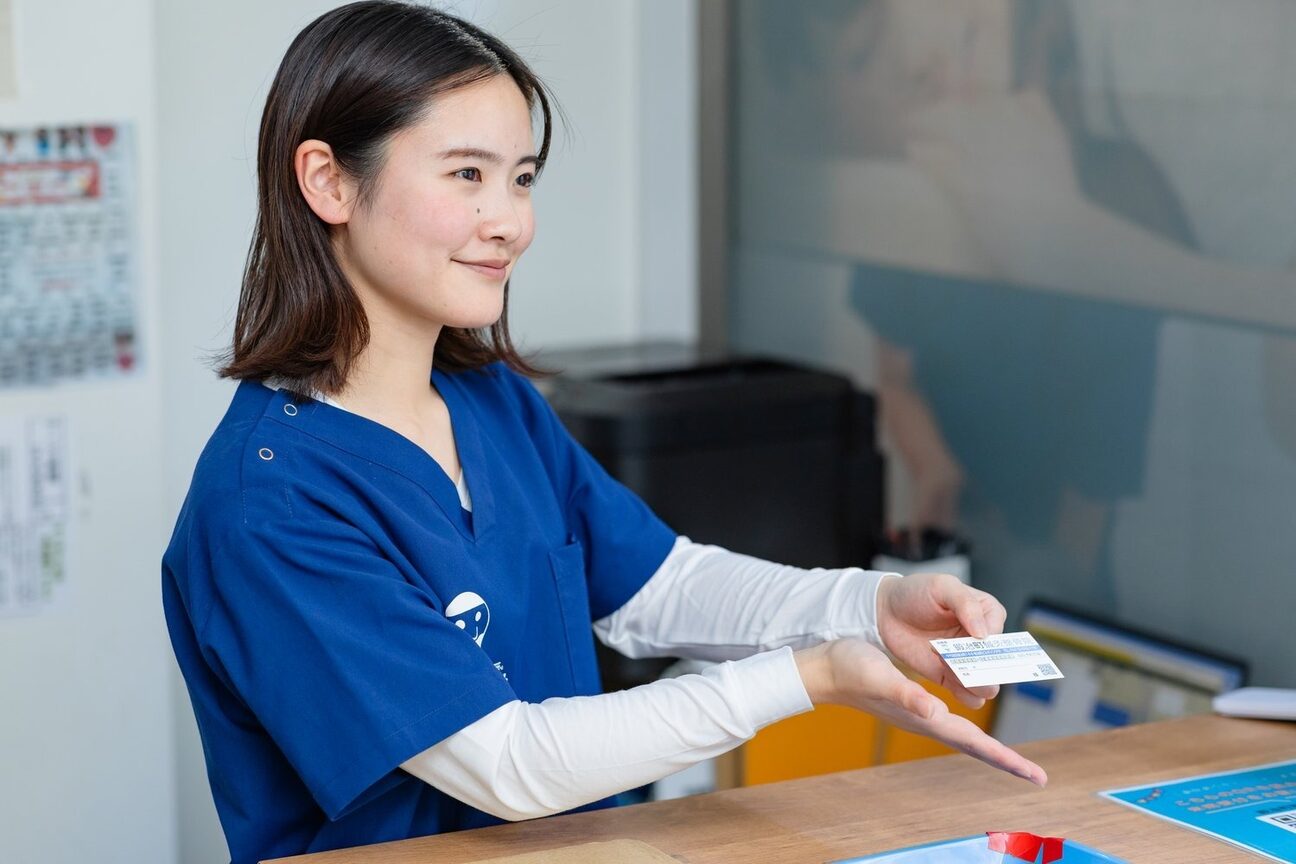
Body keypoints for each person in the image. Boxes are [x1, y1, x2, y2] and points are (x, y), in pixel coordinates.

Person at [161, 4, 1045, 863]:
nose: (510, 220)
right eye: (467, 174)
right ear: (328, 181)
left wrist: (863, 606)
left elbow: (658, 587)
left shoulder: (491, 401)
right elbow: (507, 764)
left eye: (522, 176)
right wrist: (809, 676)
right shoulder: (270, 501)